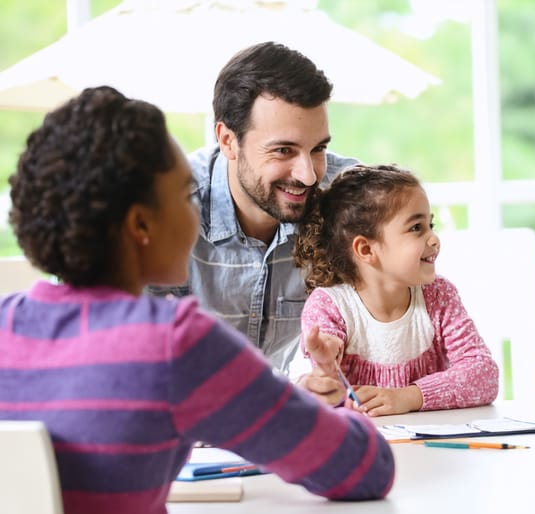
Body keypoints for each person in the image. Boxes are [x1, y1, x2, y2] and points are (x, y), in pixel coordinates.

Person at [2, 86, 394, 514]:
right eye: (185, 194)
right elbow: (363, 467)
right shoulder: (177, 343)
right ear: (141, 224)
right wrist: (346, 409)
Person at [148, 41, 359, 378]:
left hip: (276, 412)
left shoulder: (349, 199)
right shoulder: (161, 211)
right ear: (228, 140)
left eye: (317, 148)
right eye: (283, 151)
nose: (308, 175)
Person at [288, 164, 500, 416]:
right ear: (366, 250)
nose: (434, 239)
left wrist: (409, 397)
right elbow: (330, 391)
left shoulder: (438, 296)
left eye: (430, 225)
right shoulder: (329, 306)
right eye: (416, 228)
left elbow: (484, 374)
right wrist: (326, 369)